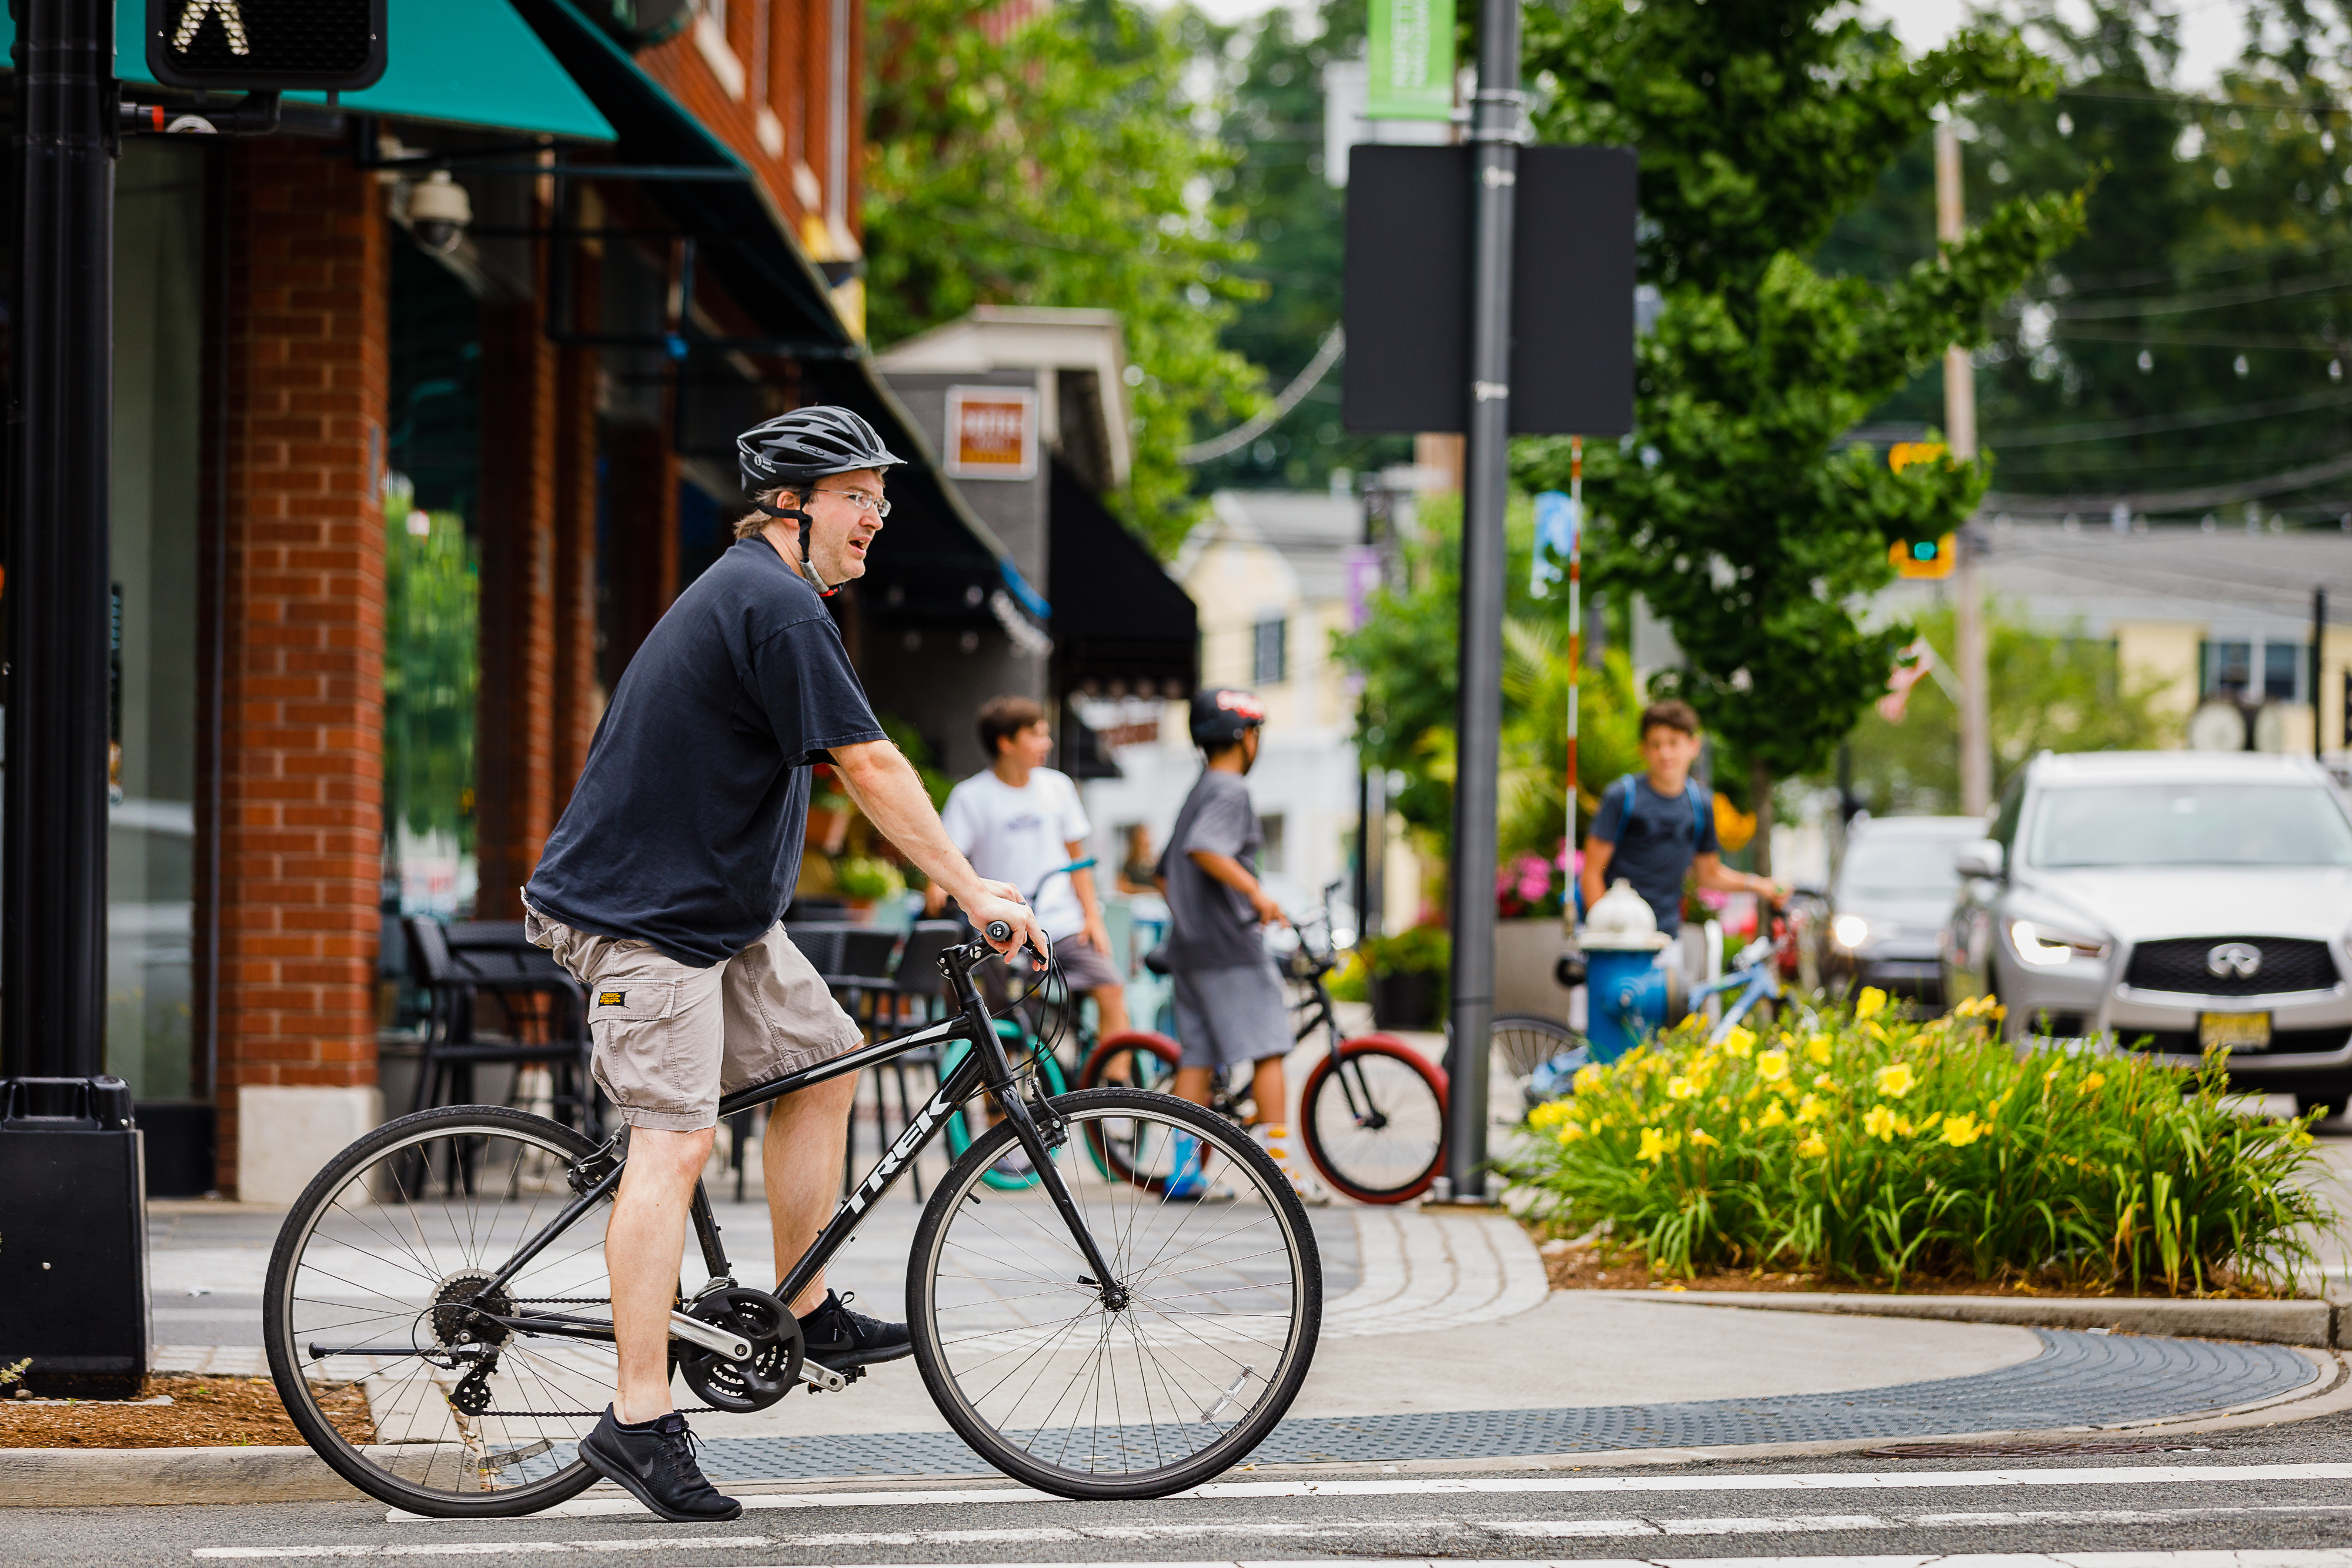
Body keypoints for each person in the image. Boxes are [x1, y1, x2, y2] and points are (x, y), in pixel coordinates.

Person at [521, 406, 1047, 1524]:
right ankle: (638, 1415)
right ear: (793, 505)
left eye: (882, 499)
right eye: (860, 497)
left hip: (717, 918)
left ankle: (801, 1299)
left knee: (827, 1059)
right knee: (676, 1141)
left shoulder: (779, 601)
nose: (878, 519)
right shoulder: (769, 601)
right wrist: (973, 888)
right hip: (640, 919)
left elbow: (855, 763)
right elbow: (868, 760)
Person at [1155, 687, 1325, 1203]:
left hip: (1191, 947)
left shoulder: (1200, 787)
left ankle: (1183, 1172)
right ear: (1246, 738)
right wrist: (1256, 895)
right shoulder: (1230, 790)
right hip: (1231, 948)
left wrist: (1194, 914)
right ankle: (1281, 1178)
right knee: (1270, 1047)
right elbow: (1206, 848)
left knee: (1198, 1057)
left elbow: (1166, 871)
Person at [926, 696, 1128, 1038]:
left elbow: (1078, 860)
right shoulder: (971, 796)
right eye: (1036, 734)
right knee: (995, 1027)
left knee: (1111, 988)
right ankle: (1003, 1092)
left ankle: (1113, 1085)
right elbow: (947, 859)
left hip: (1064, 926)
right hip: (1002, 931)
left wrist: (1092, 917)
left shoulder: (1058, 787)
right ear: (1006, 742)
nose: (1046, 743)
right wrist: (937, 887)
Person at [1578, 698, 1785, 939]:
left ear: (1693, 746)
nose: (1665, 753)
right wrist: (1605, 934)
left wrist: (1759, 885)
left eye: (1674, 743)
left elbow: (1708, 873)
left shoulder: (1701, 804)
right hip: (1617, 938)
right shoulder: (1623, 796)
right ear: (1643, 749)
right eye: (1655, 745)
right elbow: (1592, 873)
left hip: (1666, 937)